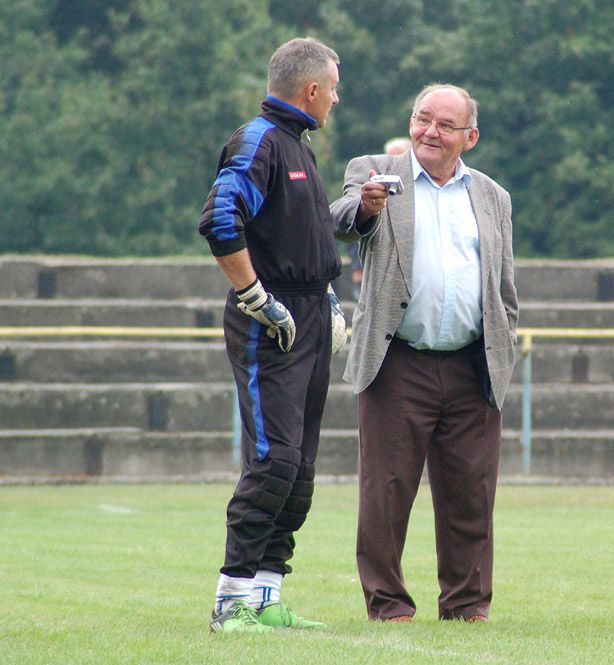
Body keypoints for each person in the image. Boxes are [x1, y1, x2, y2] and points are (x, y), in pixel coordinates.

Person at [329, 83, 518, 623]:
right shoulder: (374, 171)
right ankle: (389, 605)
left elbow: (504, 285)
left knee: (471, 496)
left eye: (445, 124)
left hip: (471, 363)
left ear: (470, 137)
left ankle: (466, 606)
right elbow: (343, 220)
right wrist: (365, 208)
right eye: (422, 119)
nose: (430, 131)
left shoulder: (492, 195)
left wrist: (502, 340)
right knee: (386, 493)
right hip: (398, 363)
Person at [197, 37, 344, 633]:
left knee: (301, 466)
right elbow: (219, 218)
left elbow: (297, 235)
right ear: (310, 90)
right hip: (272, 325)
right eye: (333, 87)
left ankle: (266, 595)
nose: (336, 97)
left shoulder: (298, 146)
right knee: (273, 459)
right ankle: (230, 600)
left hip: (309, 317)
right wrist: (255, 297)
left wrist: (327, 297)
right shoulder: (259, 140)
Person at [343, 137, 411, 301]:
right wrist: (357, 268)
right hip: (374, 276)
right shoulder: (372, 192)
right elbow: (352, 226)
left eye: (399, 157)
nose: (395, 164)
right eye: (390, 157)